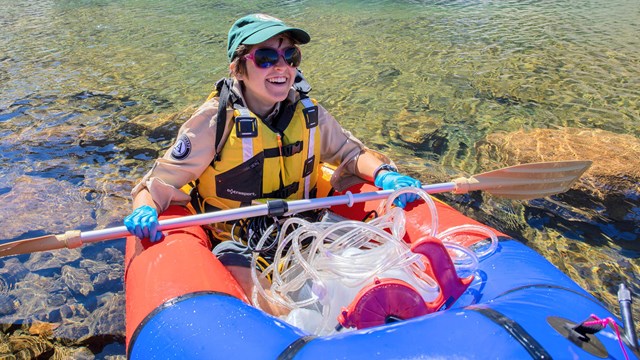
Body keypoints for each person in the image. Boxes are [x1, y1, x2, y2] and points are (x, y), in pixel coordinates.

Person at [124, 13, 422, 313]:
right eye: (266, 57)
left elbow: (351, 152)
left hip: (302, 229)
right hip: (238, 244)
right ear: (238, 69)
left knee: (372, 270)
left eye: (290, 55)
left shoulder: (309, 114)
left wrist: (385, 175)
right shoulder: (215, 121)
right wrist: (145, 208)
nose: (281, 66)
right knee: (272, 304)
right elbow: (156, 184)